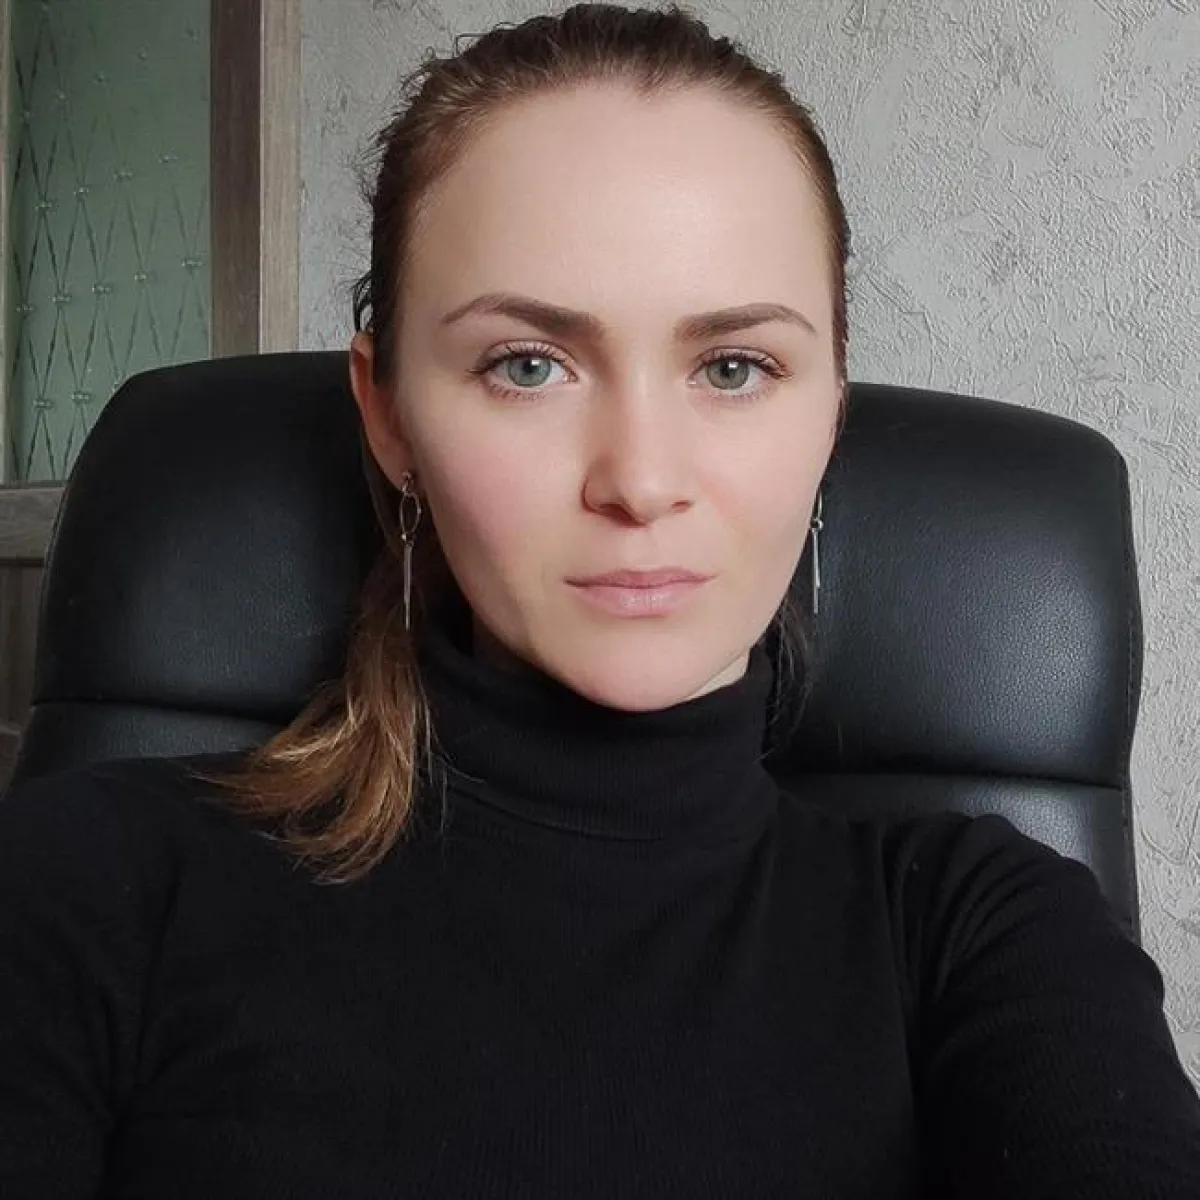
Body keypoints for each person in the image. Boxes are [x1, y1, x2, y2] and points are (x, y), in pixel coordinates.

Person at [1, 3, 1198, 1196]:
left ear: (831, 412)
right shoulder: (85, 884)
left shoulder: (984, 927)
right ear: (389, 416)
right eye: (528, 365)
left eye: (734, 368)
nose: (640, 480)